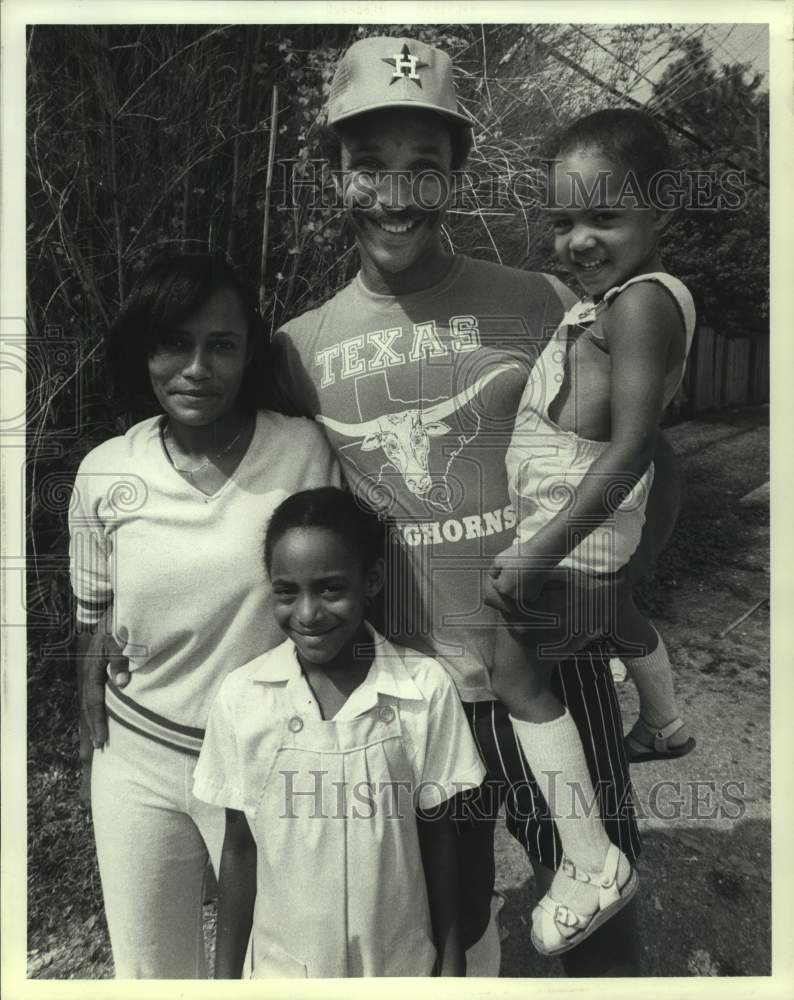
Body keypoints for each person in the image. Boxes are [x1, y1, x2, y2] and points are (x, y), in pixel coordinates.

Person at [269, 35, 683, 976]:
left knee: (601, 920)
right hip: (411, 698)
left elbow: (654, 458)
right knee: (441, 938)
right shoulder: (297, 348)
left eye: (425, 166)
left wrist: (617, 592)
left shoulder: (548, 303)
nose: (397, 193)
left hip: (550, 673)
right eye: (369, 165)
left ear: (456, 177)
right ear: (334, 175)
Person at [68, 253, 342, 978]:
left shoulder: (302, 451)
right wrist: (89, 662)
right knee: (151, 970)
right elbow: (94, 614)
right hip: (137, 763)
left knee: (282, 966)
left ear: (250, 351)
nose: (196, 367)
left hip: (269, 763)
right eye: (174, 343)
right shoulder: (105, 472)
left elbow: (340, 597)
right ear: (143, 351)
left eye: (220, 345)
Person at [487, 108, 697, 955]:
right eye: (563, 220)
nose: (579, 239)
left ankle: (588, 859)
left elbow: (638, 443)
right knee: (603, 625)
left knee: (513, 670)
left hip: (575, 529)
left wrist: (543, 545)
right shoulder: (608, 302)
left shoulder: (642, 303)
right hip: (584, 531)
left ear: (661, 214)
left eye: (604, 217)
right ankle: (666, 723)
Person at [193, 487, 486, 977]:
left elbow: (440, 839)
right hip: (284, 971)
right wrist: (225, 983)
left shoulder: (424, 688)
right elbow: (240, 848)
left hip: (400, 964)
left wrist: (451, 963)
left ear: (370, 580)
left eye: (331, 588)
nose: (308, 614)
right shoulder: (243, 697)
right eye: (287, 591)